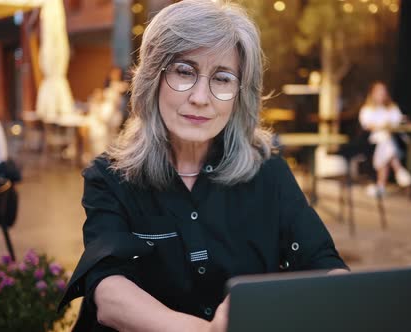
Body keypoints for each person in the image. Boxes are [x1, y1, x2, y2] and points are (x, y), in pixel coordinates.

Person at [59, 1, 348, 331]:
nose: (201, 97)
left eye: (222, 79)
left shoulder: (269, 171)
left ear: (240, 94)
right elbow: (109, 294)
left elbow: (328, 268)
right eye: (184, 71)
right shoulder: (111, 177)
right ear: (153, 78)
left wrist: (272, 306)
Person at [359, 81, 411, 197]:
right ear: (372, 93)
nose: (381, 94)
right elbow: (367, 125)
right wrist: (382, 126)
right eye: (378, 91)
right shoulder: (367, 109)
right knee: (385, 141)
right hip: (374, 141)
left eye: (383, 91)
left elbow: (399, 122)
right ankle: (399, 170)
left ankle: (381, 185)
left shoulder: (392, 108)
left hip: (392, 139)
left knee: (386, 142)